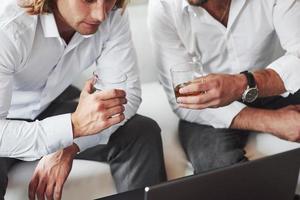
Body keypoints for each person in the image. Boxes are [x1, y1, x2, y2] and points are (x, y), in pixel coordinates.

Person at [0, 0, 167, 199]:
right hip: (6, 117)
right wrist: (72, 127)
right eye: (88, 0)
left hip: (50, 102)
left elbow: (125, 95)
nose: (101, 15)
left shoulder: (112, 15)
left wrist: (69, 145)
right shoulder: (8, 27)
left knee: (141, 132)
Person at [149, 0, 300, 175]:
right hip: (208, 108)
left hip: (274, 86)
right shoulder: (163, 6)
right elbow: (182, 96)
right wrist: (271, 121)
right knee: (217, 166)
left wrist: (241, 84)